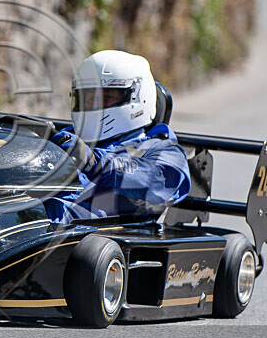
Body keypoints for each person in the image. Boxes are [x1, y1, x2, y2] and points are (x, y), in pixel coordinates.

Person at [44, 50, 191, 223]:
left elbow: (157, 182)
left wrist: (92, 161)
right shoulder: (64, 138)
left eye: (107, 97)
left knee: (42, 211)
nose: (93, 104)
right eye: (88, 97)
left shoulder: (161, 149)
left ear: (137, 98)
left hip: (85, 231)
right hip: (32, 215)